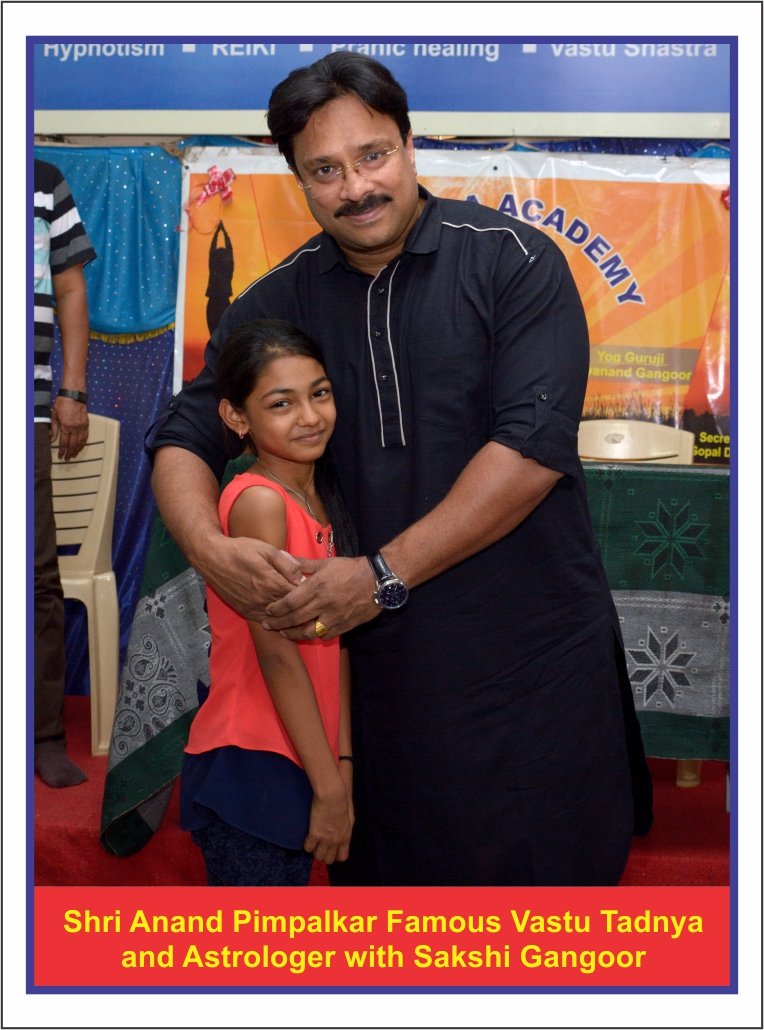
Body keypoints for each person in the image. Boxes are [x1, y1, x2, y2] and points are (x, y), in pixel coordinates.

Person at [149, 52, 652, 885]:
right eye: (325, 170)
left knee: (550, 919)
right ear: (298, 181)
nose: (356, 187)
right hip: (376, 688)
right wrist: (209, 549)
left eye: (373, 155)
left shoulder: (512, 261)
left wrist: (380, 576)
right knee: (394, 918)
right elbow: (185, 430)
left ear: (411, 144)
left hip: (528, 668)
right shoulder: (277, 301)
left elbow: (531, 448)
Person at [180, 319, 355, 885]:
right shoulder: (261, 502)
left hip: (304, 750)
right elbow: (277, 654)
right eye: (282, 403)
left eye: (319, 393)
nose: (309, 416)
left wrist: (341, 764)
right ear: (237, 417)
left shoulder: (320, 497)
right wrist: (330, 787)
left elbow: (335, 641)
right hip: (254, 755)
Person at [34, 159, 96, 788]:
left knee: (35, 578)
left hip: (27, 413)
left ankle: (44, 735)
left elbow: (70, 288)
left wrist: (71, 391)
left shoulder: (42, 181)